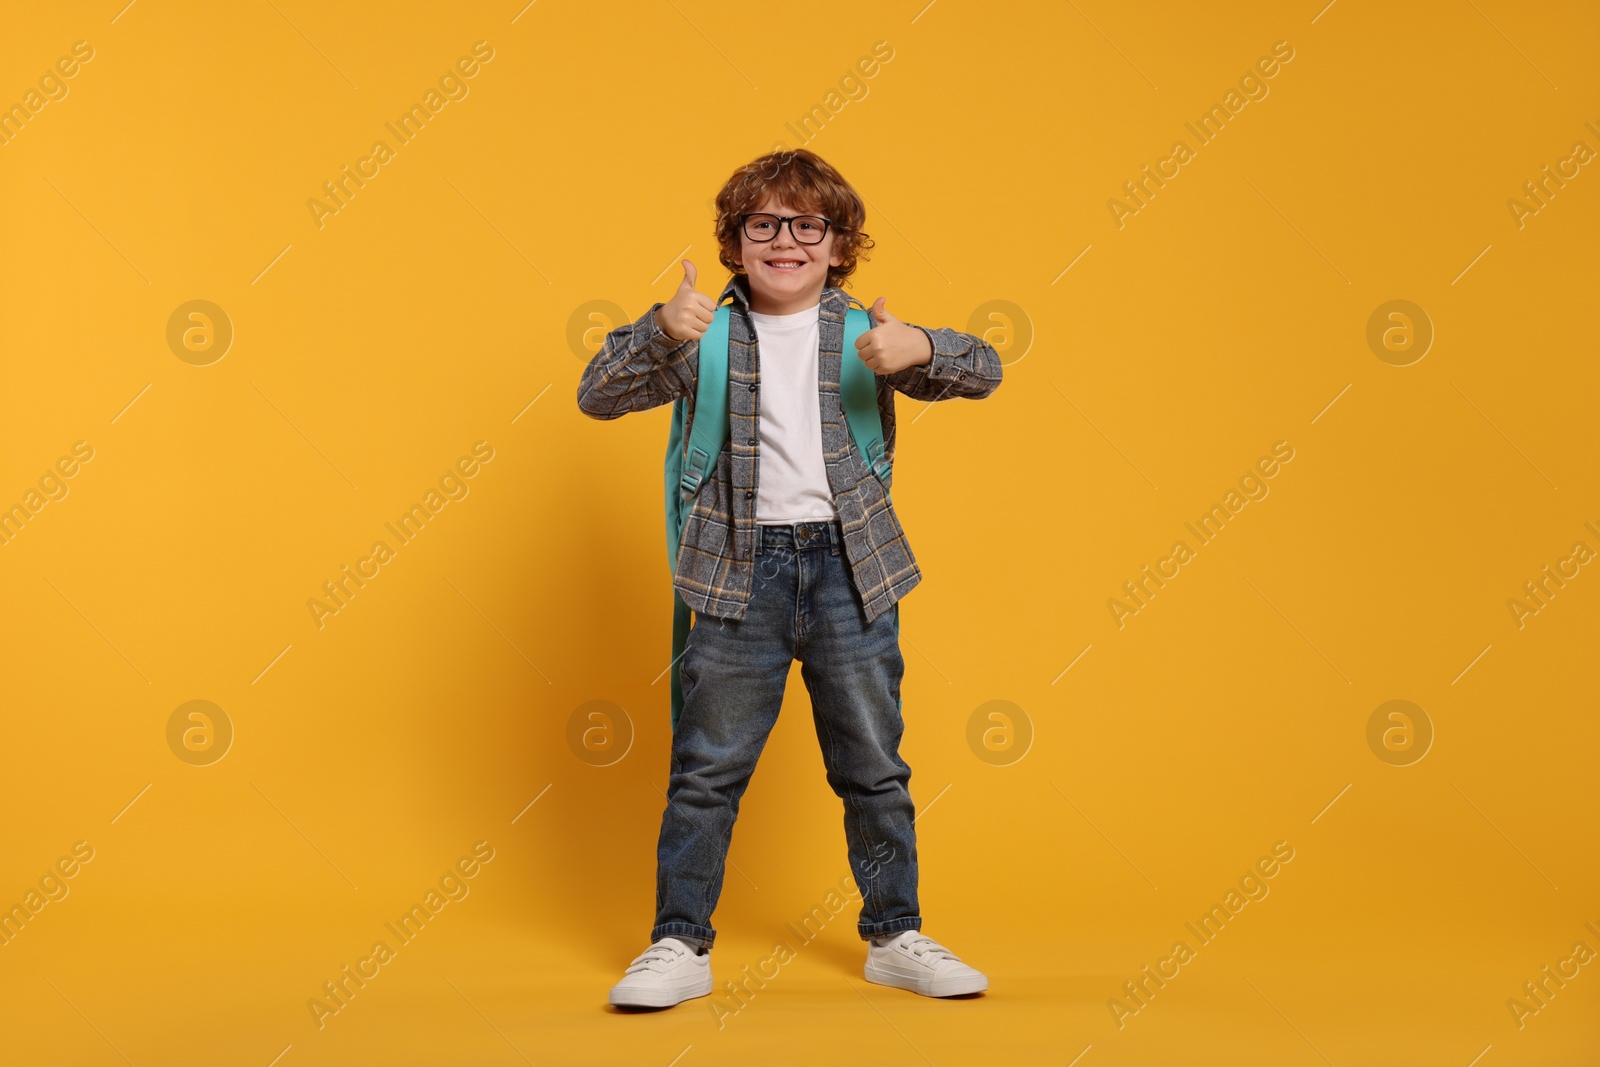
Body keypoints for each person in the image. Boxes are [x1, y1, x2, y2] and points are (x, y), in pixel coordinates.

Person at [577, 148, 1002, 1010]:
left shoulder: (865, 336)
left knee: (874, 766)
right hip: (737, 571)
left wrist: (920, 344)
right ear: (734, 243)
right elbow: (597, 394)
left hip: (852, 570)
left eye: (808, 225)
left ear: (841, 245)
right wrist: (659, 328)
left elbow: (985, 369)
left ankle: (895, 933)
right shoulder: (704, 329)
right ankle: (678, 941)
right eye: (762, 225)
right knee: (707, 769)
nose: (785, 240)